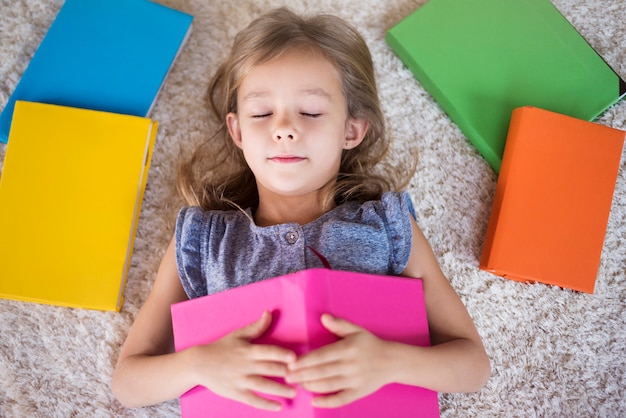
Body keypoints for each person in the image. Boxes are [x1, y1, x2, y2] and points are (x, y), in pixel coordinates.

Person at [111, 7, 490, 411]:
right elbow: (129, 383)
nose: (284, 127)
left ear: (351, 131)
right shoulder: (202, 241)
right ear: (237, 131)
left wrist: (390, 361)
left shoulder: (387, 227)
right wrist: (199, 365)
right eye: (261, 113)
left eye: (310, 112)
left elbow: (472, 366)